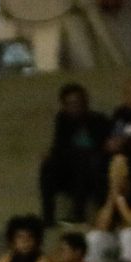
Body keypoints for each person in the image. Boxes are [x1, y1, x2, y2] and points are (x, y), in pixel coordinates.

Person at [39, 83, 109, 226]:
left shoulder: (98, 120)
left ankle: (79, 213)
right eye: (70, 104)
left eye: (77, 102)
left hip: (91, 170)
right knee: (48, 167)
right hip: (69, 170)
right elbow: (60, 147)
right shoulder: (63, 121)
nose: (75, 107)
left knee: (81, 161)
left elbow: (102, 148)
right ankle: (48, 217)